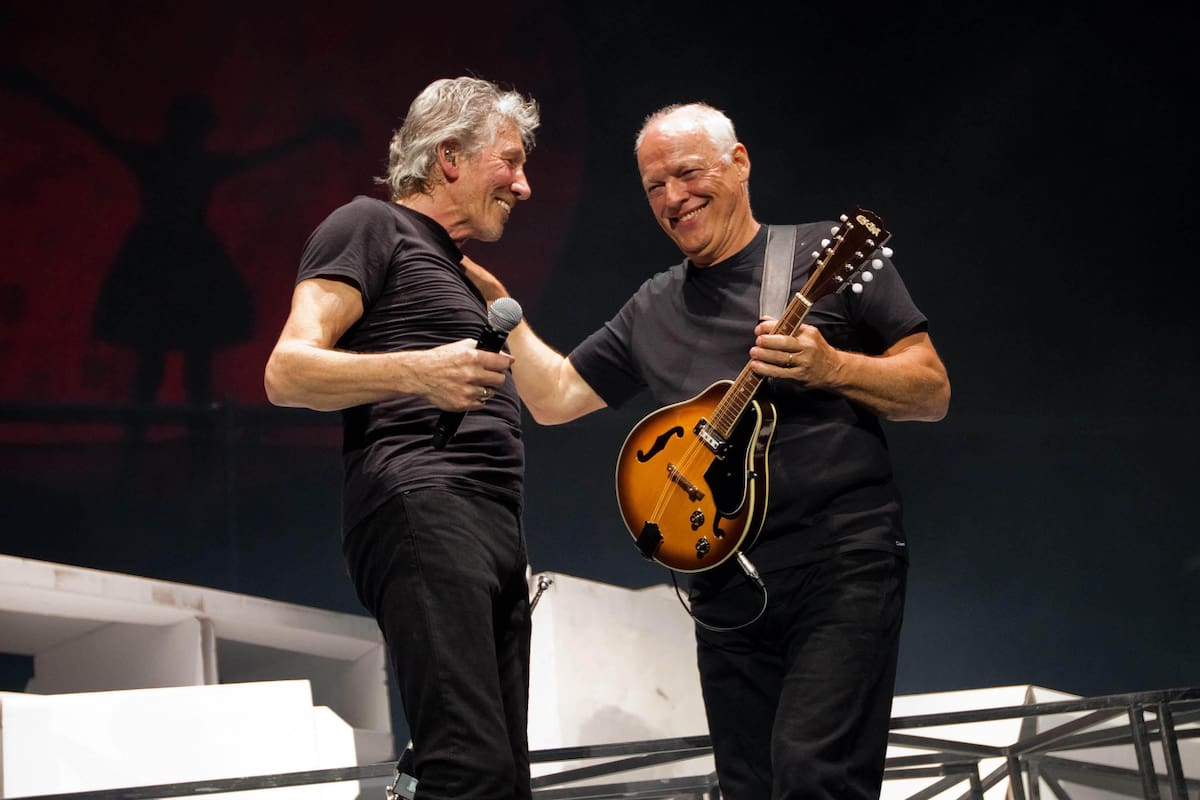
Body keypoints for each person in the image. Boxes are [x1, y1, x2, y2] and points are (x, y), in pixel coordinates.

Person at [464, 102, 950, 799]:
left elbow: (932, 390)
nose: (672, 198)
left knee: (814, 772)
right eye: (654, 186)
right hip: (722, 585)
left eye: (687, 173)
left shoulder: (823, 255)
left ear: (740, 163)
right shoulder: (652, 305)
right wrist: (498, 306)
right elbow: (556, 396)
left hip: (841, 563)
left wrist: (832, 367)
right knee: (748, 786)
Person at [263, 76, 540, 799]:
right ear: (449, 157)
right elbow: (285, 372)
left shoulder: (457, 268)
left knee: (503, 777)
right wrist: (421, 372)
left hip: (491, 525)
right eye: (508, 161)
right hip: (423, 504)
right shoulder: (366, 225)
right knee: (467, 764)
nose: (524, 184)